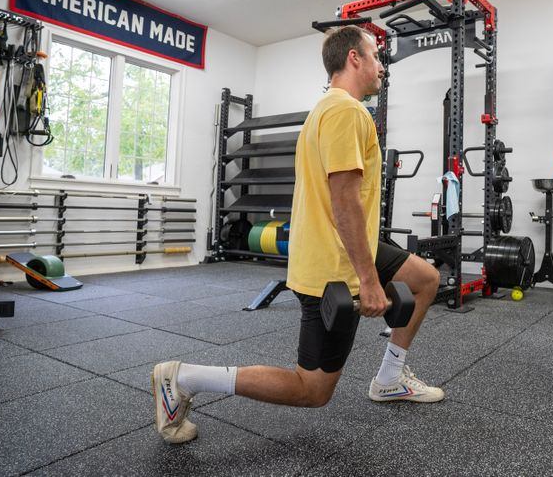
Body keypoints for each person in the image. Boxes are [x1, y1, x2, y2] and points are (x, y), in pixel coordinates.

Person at [151, 26, 443, 444]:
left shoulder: (325, 110)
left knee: (425, 278)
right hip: (333, 265)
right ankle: (183, 378)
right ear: (354, 59)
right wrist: (369, 278)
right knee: (312, 389)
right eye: (376, 55)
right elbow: (344, 201)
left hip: (339, 246)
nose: (382, 66)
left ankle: (390, 377)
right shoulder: (346, 112)